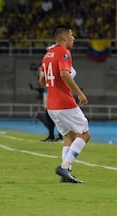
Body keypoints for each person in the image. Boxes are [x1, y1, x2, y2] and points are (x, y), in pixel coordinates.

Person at [39, 25, 90, 183]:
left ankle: (65, 174)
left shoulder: (47, 55)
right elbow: (64, 73)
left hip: (52, 104)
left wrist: (53, 88)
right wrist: (79, 93)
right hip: (64, 102)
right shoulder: (63, 52)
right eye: (71, 36)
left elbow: (42, 81)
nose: (73, 38)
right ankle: (65, 166)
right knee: (85, 134)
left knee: (70, 135)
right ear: (63, 38)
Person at [37, 65, 77, 142]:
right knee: (49, 115)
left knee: (61, 116)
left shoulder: (63, 64)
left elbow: (72, 73)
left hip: (59, 94)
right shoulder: (49, 62)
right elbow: (42, 79)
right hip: (50, 93)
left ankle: (61, 136)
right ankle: (51, 135)